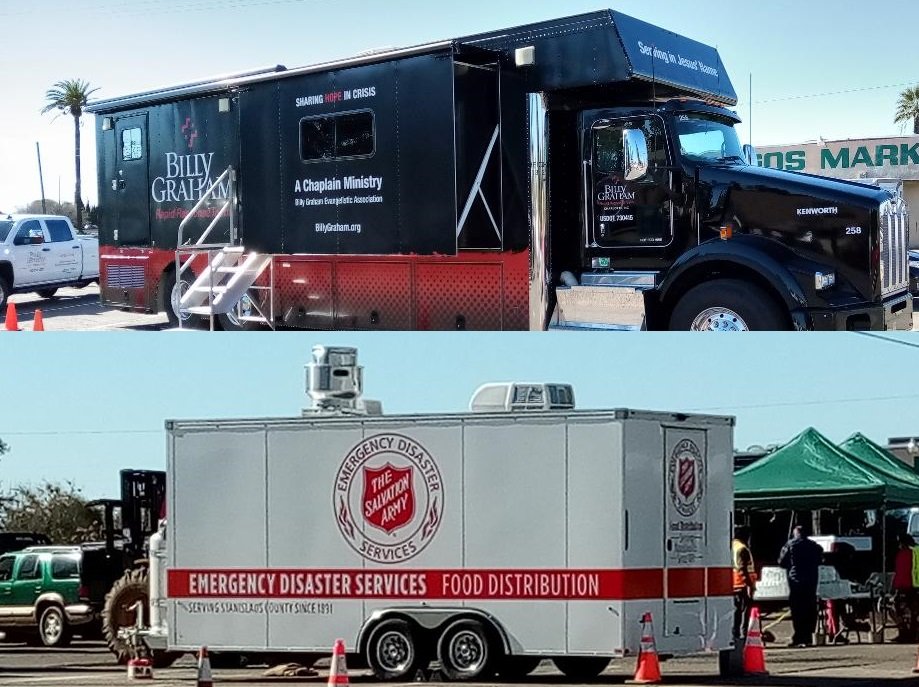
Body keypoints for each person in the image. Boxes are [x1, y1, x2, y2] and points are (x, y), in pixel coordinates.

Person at [778, 525, 823, 647]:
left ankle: (799, 636)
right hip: (811, 581)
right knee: (810, 608)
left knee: (797, 610)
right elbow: (820, 560)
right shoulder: (814, 546)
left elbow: (781, 562)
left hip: (795, 581)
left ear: (795, 534)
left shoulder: (790, 545)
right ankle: (809, 635)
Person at [732, 526, 757, 640]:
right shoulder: (742, 549)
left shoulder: (732, 546)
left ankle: (735, 633)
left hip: (733, 583)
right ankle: (743, 634)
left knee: (736, 611)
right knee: (744, 612)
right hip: (742, 584)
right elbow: (743, 568)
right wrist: (749, 585)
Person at [892, 533, 917, 643]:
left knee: (899, 608)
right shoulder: (912, 553)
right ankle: (910, 633)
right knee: (912, 611)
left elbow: (901, 572)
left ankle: (905, 632)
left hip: (906, 585)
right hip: (910, 585)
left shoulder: (905, 554)